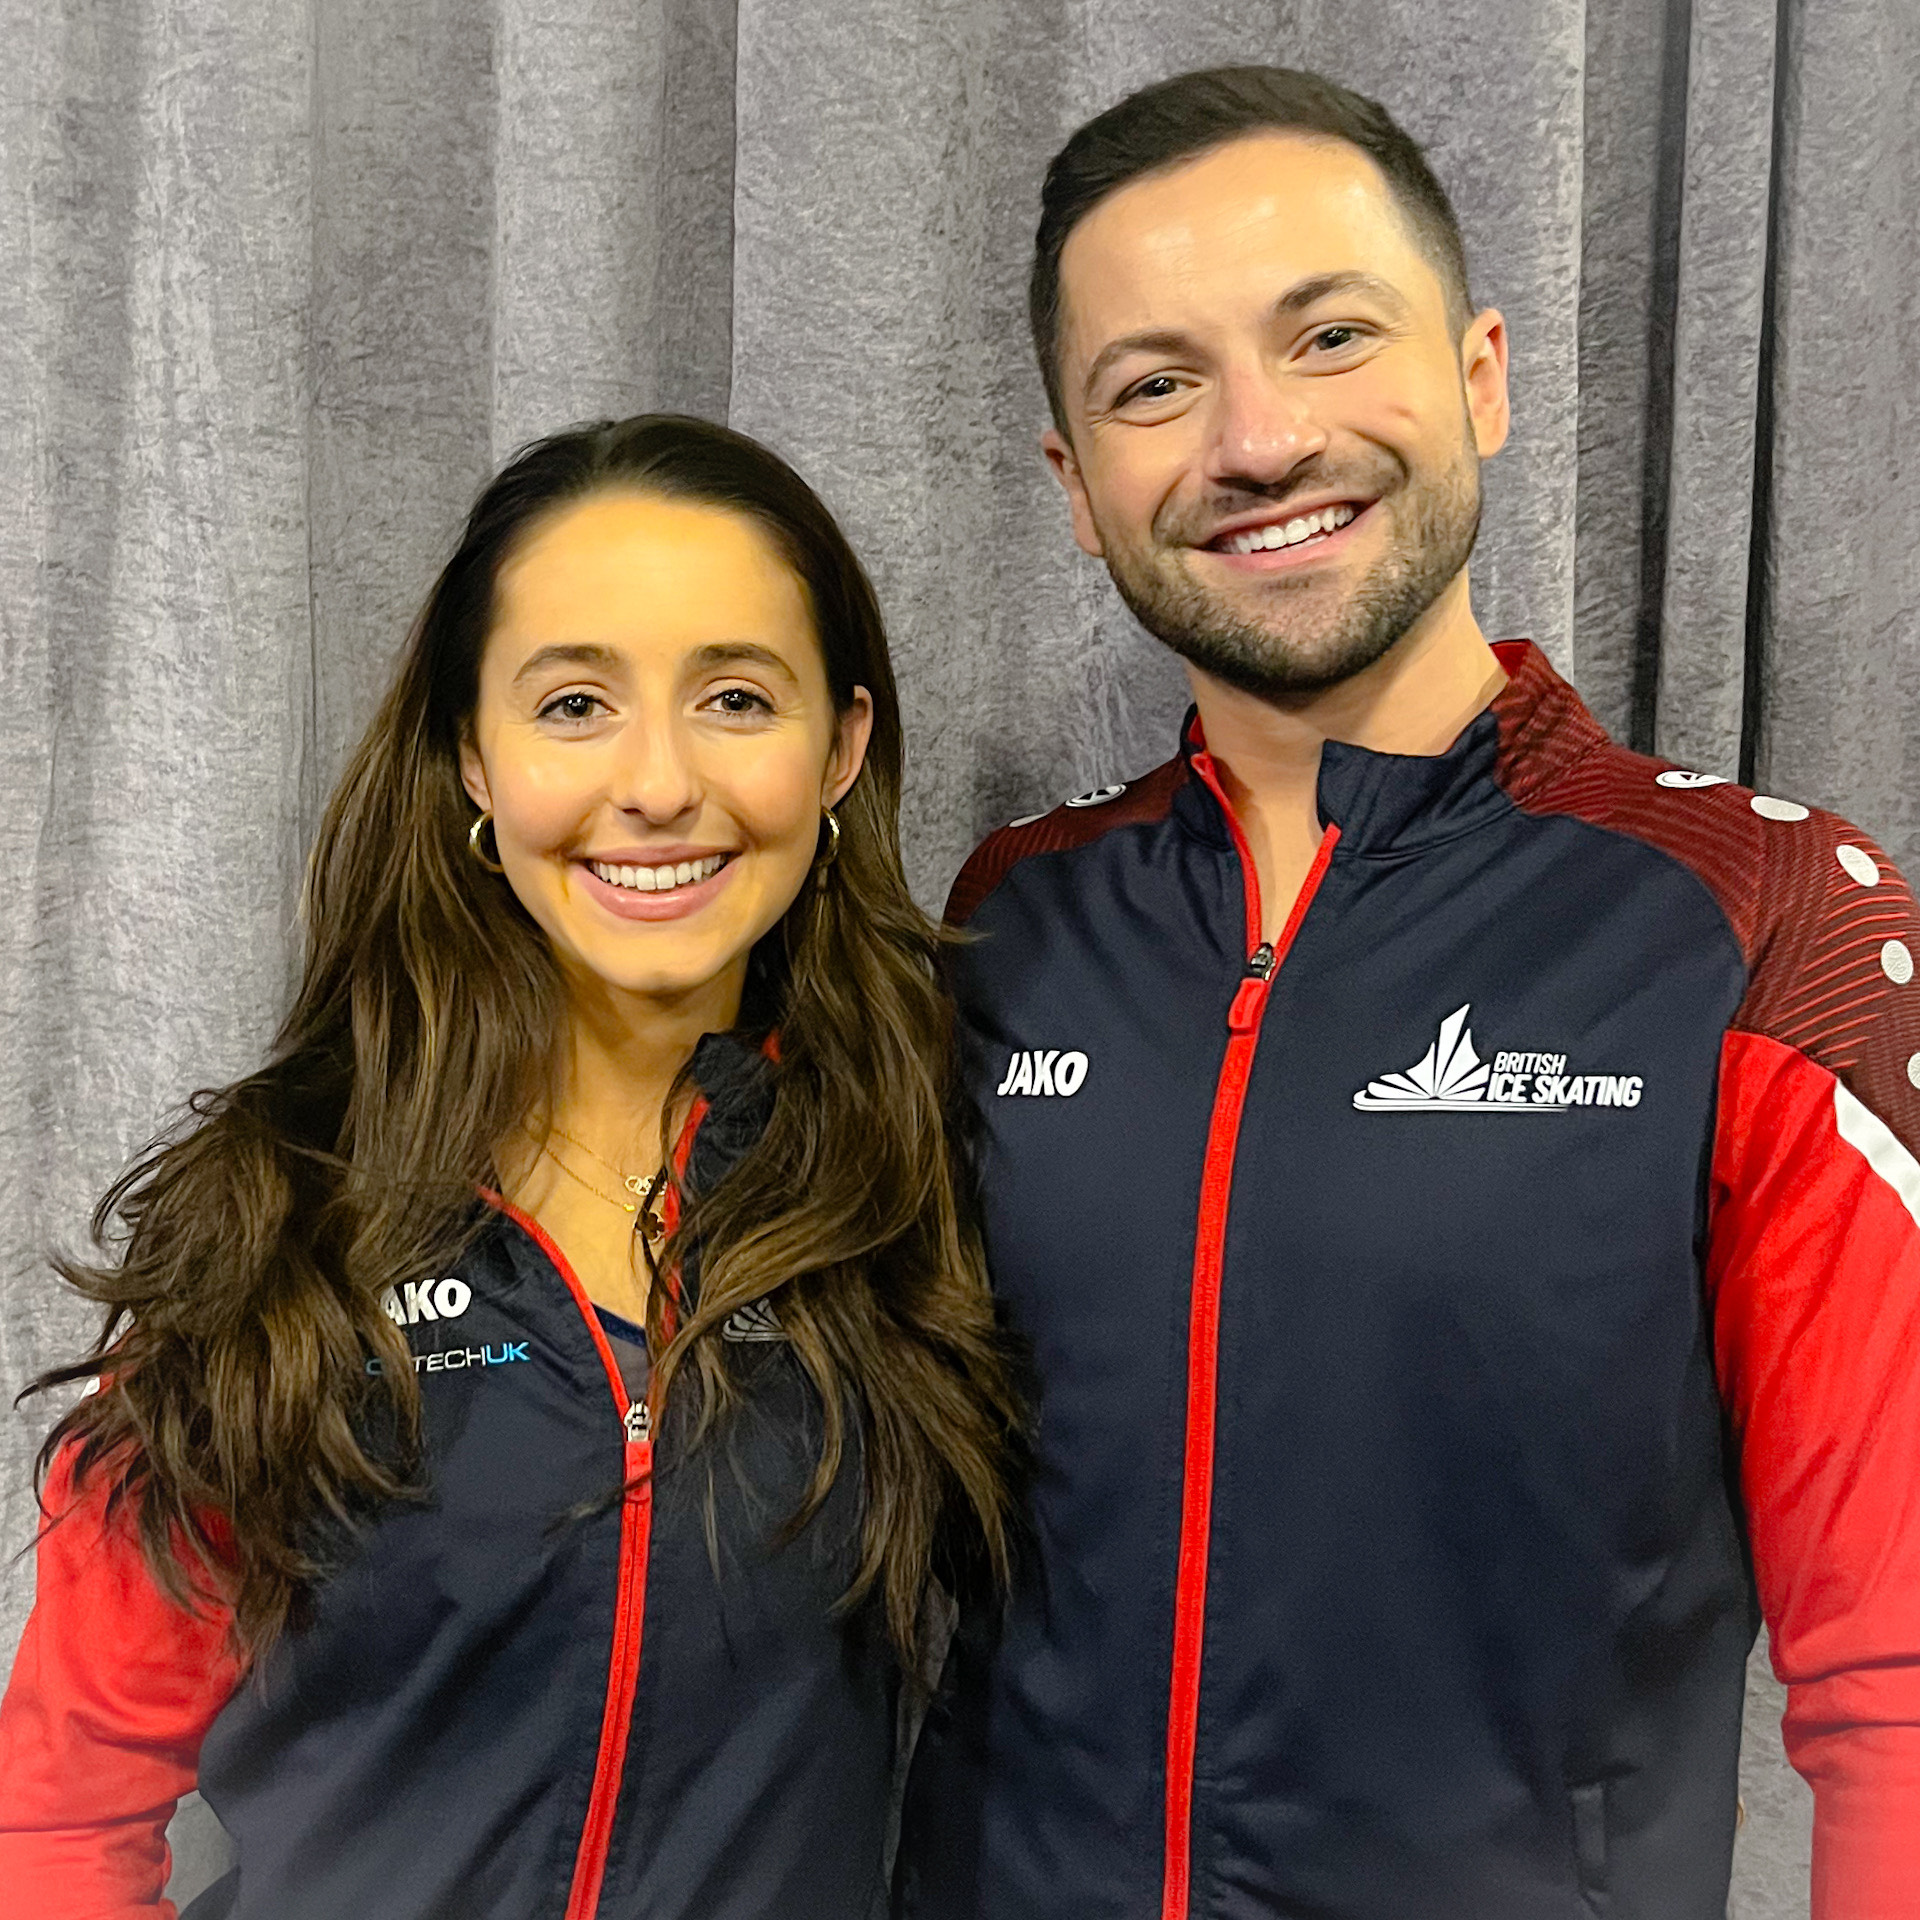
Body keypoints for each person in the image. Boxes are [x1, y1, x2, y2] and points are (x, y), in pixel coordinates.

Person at [896, 66, 1920, 1920]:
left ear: (1482, 376)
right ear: (1075, 488)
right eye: (1154, 385)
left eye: (1331, 336)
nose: (1259, 439)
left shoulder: (1765, 923)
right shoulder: (1010, 921)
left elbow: (1903, 1681)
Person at [0, 414, 1020, 1919]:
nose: (658, 784)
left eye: (737, 698)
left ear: (842, 749)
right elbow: (59, 1820)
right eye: (575, 704)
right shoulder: (281, 1219)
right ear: (474, 755)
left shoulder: (920, 1191)